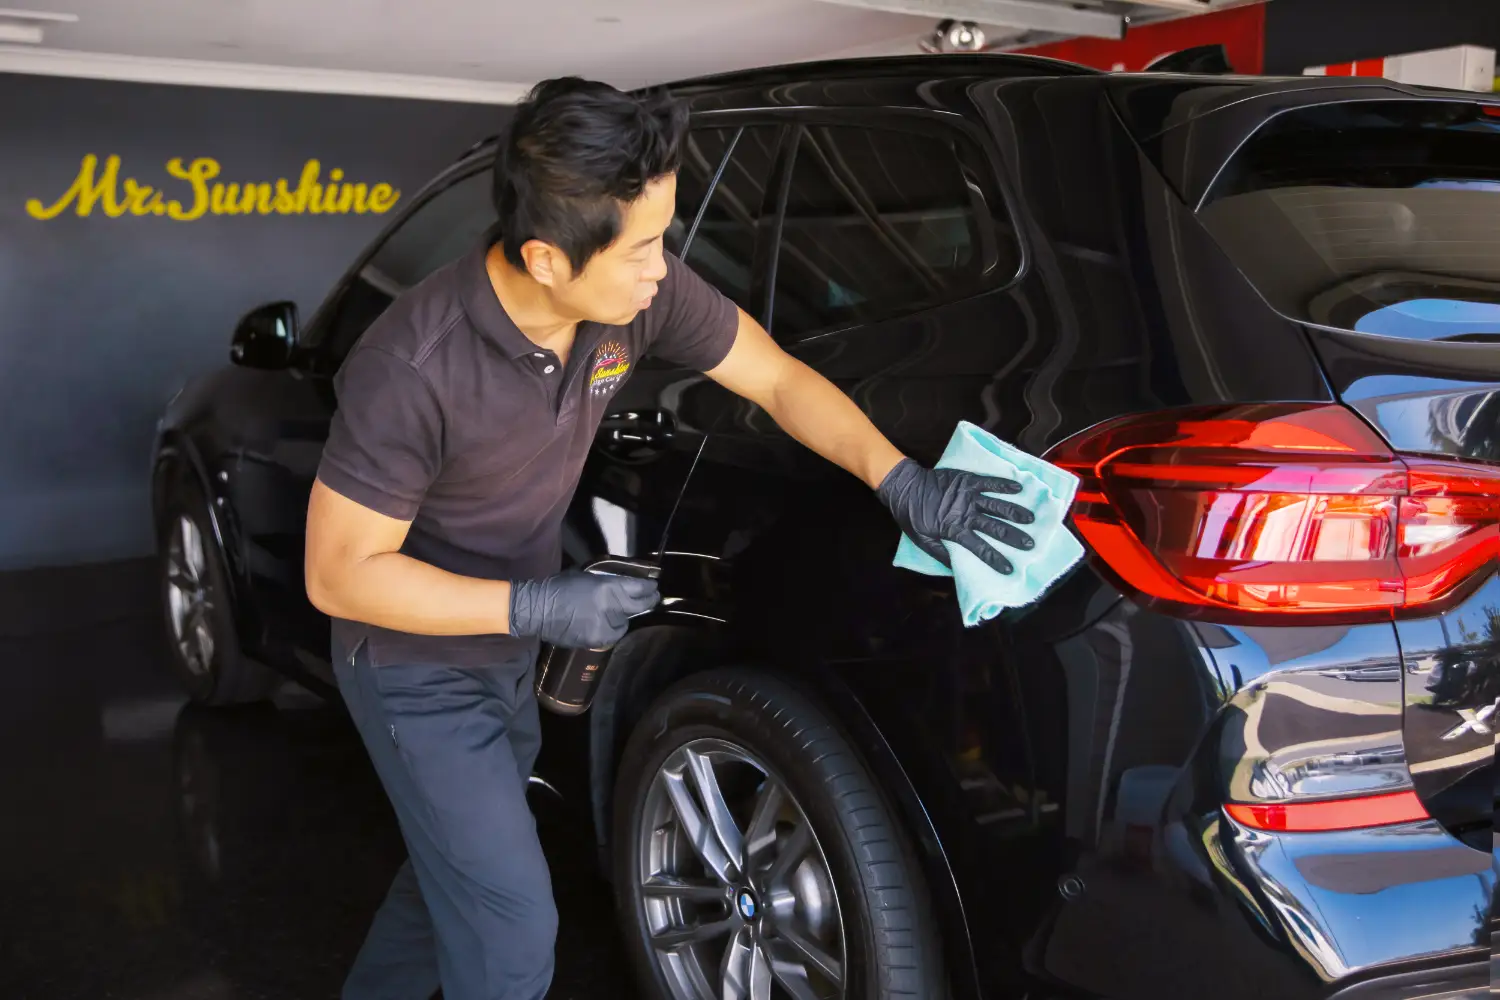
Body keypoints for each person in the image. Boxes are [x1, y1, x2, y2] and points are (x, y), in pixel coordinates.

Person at [303, 76, 1035, 1000]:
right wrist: (534, 602)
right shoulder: (410, 367)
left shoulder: (632, 296)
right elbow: (339, 576)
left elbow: (774, 378)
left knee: (454, 880)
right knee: (512, 928)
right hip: (413, 666)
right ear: (546, 259)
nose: (664, 266)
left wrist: (899, 479)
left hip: (505, 650)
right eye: (644, 247)